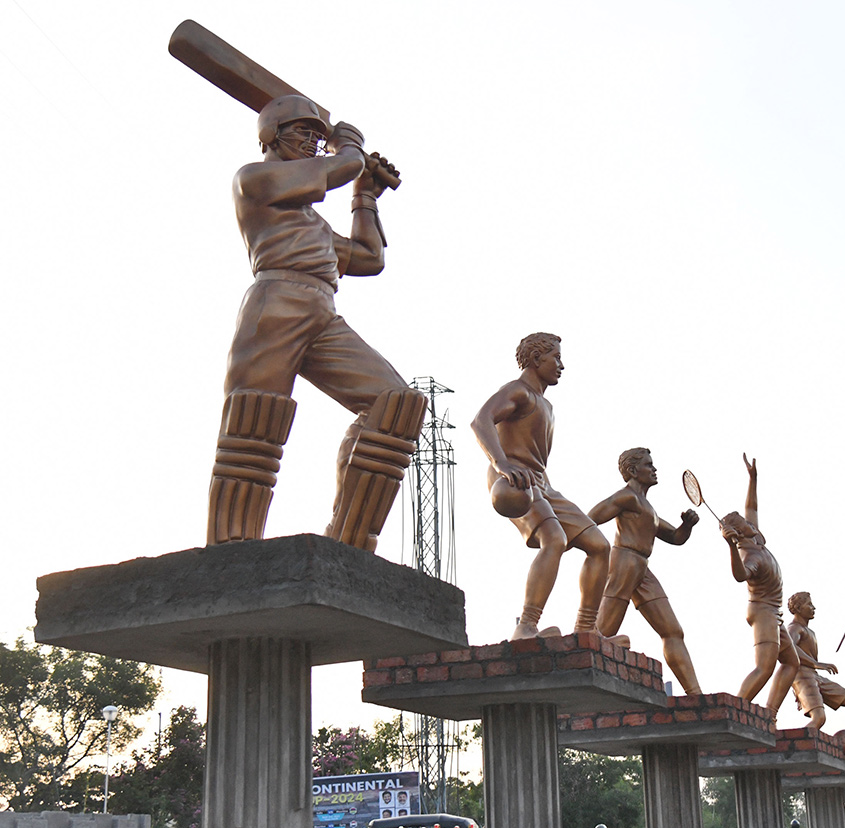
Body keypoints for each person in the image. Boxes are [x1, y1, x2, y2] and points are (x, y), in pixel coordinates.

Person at [206, 94, 427, 552]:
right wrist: (349, 146)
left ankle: (347, 544)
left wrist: (365, 193)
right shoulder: (254, 179)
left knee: (395, 404)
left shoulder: (310, 221)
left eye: (317, 135)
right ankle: (231, 550)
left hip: (322, 310)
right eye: (303, 132)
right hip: (276, 301)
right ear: (271, 136)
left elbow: (367, 258)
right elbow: (332, 171)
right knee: (255, 424)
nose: (312, 142)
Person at [471, 334, 610, 639]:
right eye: (556, 358)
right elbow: (480, 421)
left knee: (600, 547)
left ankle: (586, 628)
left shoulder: (545, 403)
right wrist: (501, 464)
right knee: (554, 539)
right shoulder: (517, 392)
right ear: (536, 359)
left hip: (542, 483)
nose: (562, 365)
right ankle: (526, 626)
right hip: (515, 480)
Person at [588, 448, 702, 694]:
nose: (654, 469)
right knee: (601, 632)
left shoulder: (648, 508)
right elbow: (591, 519)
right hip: (624, 563)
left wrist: (687, 525)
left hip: (642, 569)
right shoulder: (626, 498)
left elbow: (675, 537)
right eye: (649, 465)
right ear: (632, 471)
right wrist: (592, 550)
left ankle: (695, 695)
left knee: (672, 631)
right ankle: (578, 679)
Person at [721, 454, 800, 718]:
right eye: (742, 522)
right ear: (738, 531)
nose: (747, 520)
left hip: (774, 612)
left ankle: (769, 713)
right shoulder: (749, 554)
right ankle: (731, 711)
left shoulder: (755, 536)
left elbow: (751, 507)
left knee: (791, 662)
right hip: (763, 611)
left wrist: (752, 479)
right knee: (764, 667)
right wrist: (731, 547)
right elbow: (740, 576)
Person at [786, 592, 845, 737]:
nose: (813, 607)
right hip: (802, 677)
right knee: (819, 718)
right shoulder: (794, 628)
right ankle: (795, 745)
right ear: (797, 607)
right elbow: (789, 646)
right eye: (809, 604)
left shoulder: (810, 631)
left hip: (816, 676)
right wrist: (815, 663)